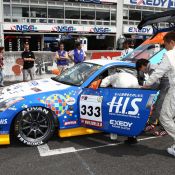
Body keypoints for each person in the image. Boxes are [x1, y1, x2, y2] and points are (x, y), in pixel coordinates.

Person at [143, 32, 175, 157]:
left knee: (164, 118)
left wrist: (147, 83)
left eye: (165, 44)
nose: (164, 47)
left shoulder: (170, 55)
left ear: (171, 42)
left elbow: (158, 73)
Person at [101, 68, 139, 143]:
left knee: (114, 113)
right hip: (133, 95)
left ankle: (114, 135)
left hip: (121, 93)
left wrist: (104, 93)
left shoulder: (112, 76)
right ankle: (132, 137)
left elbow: (103, 84)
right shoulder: (131, 76)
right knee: (130, 116)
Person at [136, 59, 169, 136]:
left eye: (142, 70)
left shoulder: (152, 68)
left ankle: (164, 128)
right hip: (165, 87)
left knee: (160, 107)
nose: (144, 72)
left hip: (168, 87)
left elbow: (156, 83)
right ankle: (151, 124)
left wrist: (147, 88)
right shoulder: (153, 66)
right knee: (157, 106)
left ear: (144, 65)